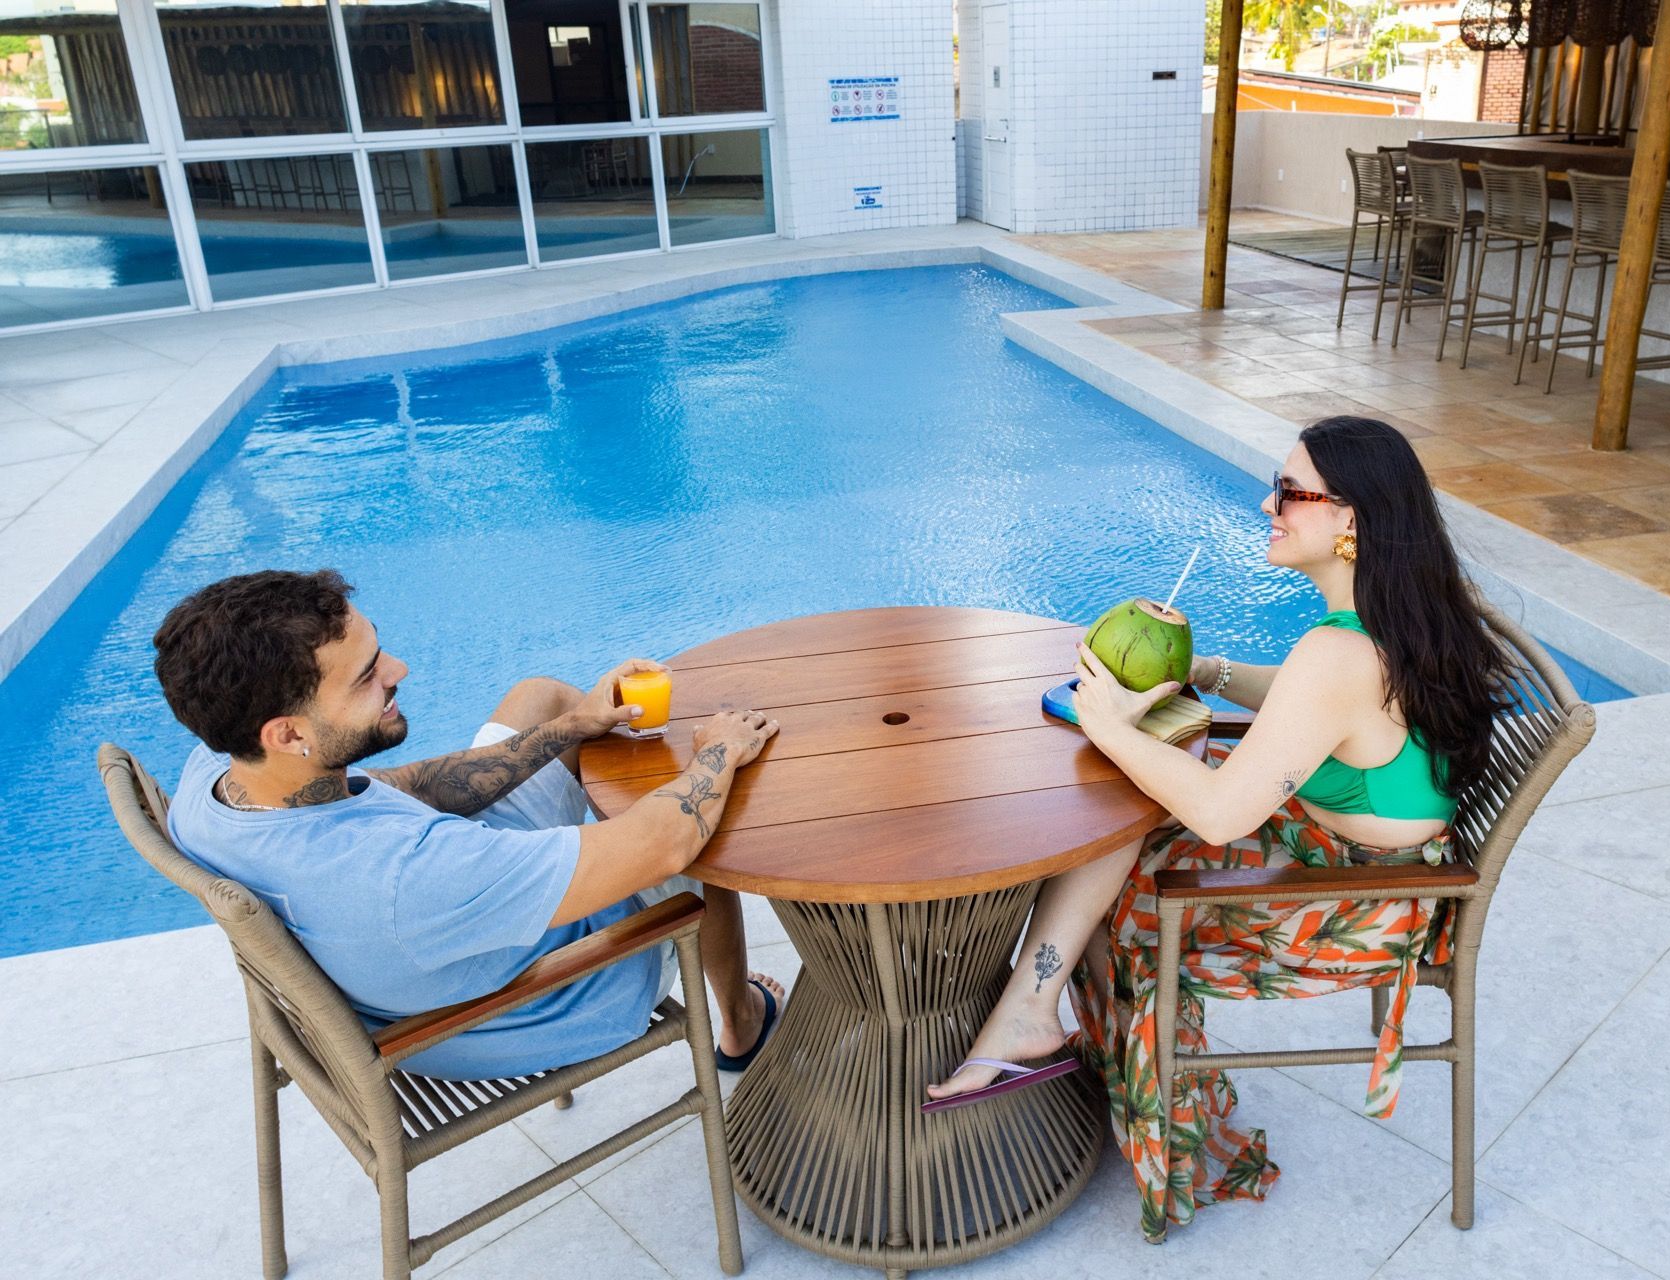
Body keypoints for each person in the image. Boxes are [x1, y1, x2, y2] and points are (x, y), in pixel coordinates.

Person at [925, 416, 1510, 1239]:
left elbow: (1223, 810)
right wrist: (1203, 671)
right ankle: (1032, 1006)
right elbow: (1311, 701)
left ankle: (1033, 1010)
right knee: (1130, 818)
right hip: (1372, 862)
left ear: (1351, 519)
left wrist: (1111, 724)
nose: (1269, 505)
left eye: (1290, 492)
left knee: (1126, 838)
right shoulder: (1392, 620)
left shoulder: (1340, 658)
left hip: (1350, 907)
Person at [153, 568, 784, 1081]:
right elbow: (666, 844)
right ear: (288, 733)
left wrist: (572, 728)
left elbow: (397, 788)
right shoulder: (404, 874)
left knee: (542, 697)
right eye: (368, 676)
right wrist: (716, 752)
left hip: (424, 951)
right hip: (532, 998)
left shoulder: (218, 772)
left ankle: (572, 736)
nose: (397, 670)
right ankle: (742, 1021)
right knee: (705, 834)